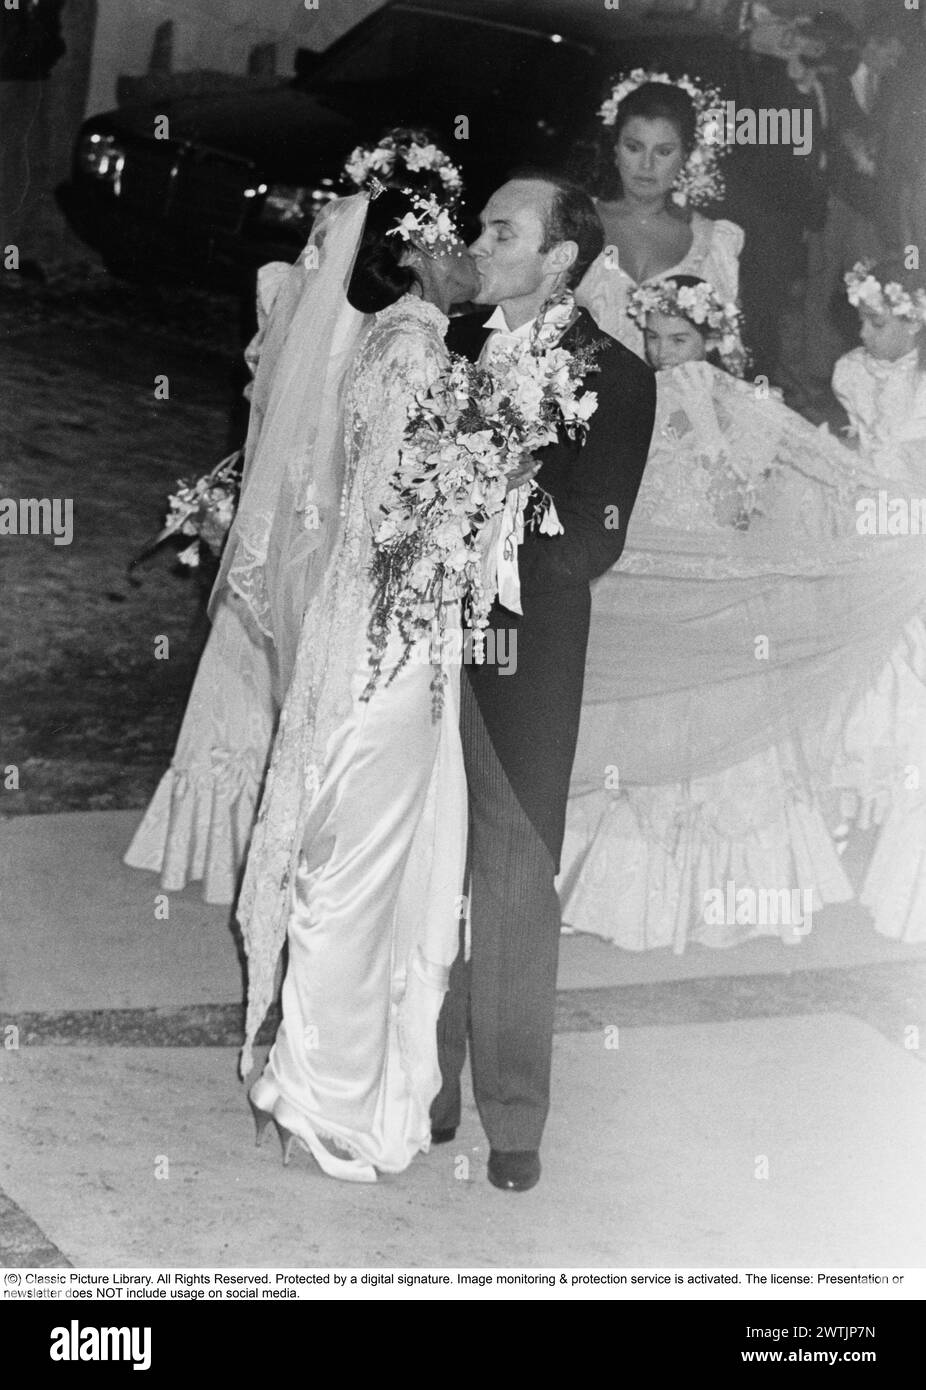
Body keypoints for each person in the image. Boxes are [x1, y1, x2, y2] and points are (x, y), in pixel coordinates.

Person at [220, 132, 479, 1183]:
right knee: (360, 864)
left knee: (366, 853)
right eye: (458, 235)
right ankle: (319, 1097)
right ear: (418, 250)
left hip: (368, 619)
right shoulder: (417, 351)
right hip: (395, 629)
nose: (468, 254)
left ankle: (336, 1083)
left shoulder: (387, 340)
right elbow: (402, 509)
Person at [556, 274, 926, 952]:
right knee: (631, 734)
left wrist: (702, 424)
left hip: (718, 598)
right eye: (655, 338)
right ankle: (618, 898)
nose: (666, 355)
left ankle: (721, 899)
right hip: (644, 589)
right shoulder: (632, 396)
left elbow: (738, 510)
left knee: (717, 735)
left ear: (713, 342)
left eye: (682, 340)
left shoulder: (745, 408)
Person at [430, 170, 657, 1192]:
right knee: (420, 860)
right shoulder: (446, 347)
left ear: (558, 256)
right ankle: (419, 1082)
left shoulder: (616, 373)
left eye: (499, 229)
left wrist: (494, 508)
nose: (477, 241)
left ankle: (512, 1116)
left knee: (512, 872)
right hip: (419, 635)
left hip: (521, 650)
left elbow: (594, 540)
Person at [575, 71, 744, 361]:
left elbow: (729, 354)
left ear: (686, 155)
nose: (647, 164)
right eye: (634, 147)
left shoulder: (714, 242)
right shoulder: (575, 221)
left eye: (664, 151)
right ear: (615, 150)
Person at [833, 258, 926, 484]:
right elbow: (859, 434)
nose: (863, 333)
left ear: (914, 323)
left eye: (877, 324)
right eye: (861, 321)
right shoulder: (854, 370)